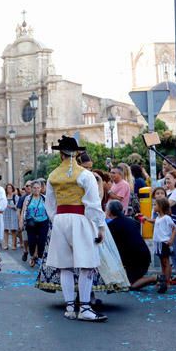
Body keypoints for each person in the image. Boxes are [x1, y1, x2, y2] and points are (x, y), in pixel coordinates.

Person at [39, 136, 106, 322]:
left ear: (61, 154)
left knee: (65, 266)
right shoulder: (85, 175)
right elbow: (93, 203)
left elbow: (50, 204)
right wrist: (100, 226)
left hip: (60, 219)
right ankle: (84, 308)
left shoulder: (52, 176)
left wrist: (57, 219)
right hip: (81, 218)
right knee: (87, 264)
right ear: (77, 154)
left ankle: (70, 307)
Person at [106, 201, 156, 290]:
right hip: (144, 256)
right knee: (128, 281)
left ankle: (154, 278)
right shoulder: (131, 221)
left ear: (109, 212)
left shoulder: (112, 225)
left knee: (130, 285)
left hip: (136, 260)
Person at [141, 198, 176, 294]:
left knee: (166, 262)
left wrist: (171, 240)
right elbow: (155, 221)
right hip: (158, 242)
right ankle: (163, 280)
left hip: (164, 242)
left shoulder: (167, 218)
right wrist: (147, 219)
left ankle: (167, 281)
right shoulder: (158, 217)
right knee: (162, 262)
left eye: (155, 205)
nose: (154, 207)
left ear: (160, 207)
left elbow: (175, 228)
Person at [20, 180, 48, 267]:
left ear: (41, 189)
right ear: (31, 189)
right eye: (34, 188)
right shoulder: (27, 198)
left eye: (38, 188)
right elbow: (23, 210)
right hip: (31, 222)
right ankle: (32, 256)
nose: (36, 190)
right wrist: (21, 221)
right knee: (31, 241)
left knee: (41, 241)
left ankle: (39, 258)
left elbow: (50, 210)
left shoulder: (44, 198)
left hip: (43, 222)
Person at [3, 183, 19, 250]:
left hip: (13, 214)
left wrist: (10, 206)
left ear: (12, 189)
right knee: (5, 229)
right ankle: (6, 244)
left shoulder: (15, 197)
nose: (9, 189)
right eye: (8, 188)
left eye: (10, 187)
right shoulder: (4, 196)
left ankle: (13, 244)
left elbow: (17, 207)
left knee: (13, 230)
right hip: (5, 214)